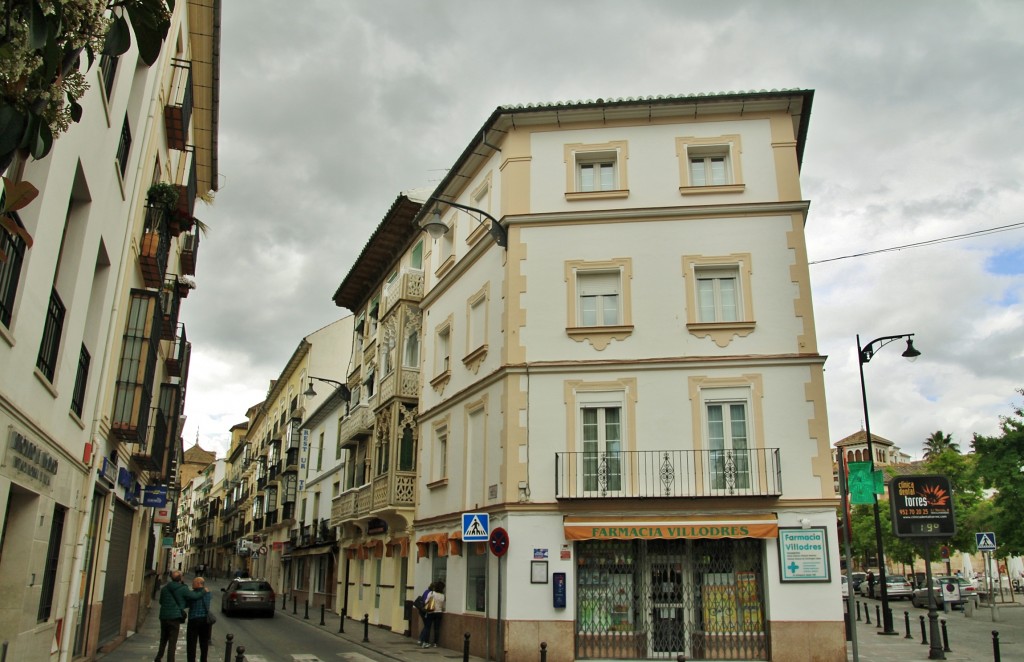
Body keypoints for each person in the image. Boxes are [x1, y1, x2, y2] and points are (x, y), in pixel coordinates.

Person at [155, 570, 207, 662]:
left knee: (163, 639)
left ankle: (158, 658)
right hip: (174, 617)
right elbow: (194, 596)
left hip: (163, 616)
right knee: (172, 642)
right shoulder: (182, 588)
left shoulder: (165, 588)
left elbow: (161, 602)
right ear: (180, 578)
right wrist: (203, 592)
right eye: (182, 576)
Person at [185, 576, 213, 662]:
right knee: (204, 643)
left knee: (191, 643)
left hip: (194, 620)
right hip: (205, 620)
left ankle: (191, 660)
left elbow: (188, 603)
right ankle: (203, 660)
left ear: (198, 583)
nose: (192, 584)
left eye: (193, 583)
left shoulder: (193, 594)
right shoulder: (208, 593)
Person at [418, 581, 446, 648]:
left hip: (431, 612)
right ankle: (435, 643)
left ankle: (426, 642)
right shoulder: (443, 596)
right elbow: (443, 606)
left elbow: (426, 601)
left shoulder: (432, 593)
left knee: (428, 627)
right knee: (437, 628)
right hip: (439, 613)